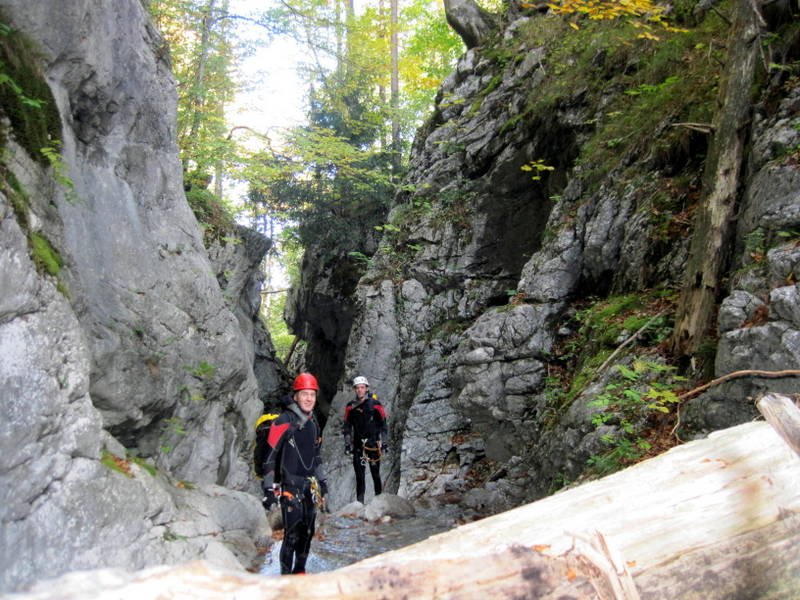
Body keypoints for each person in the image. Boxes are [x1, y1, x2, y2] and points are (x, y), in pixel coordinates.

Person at [260, 373, 327, 575]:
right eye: (304, 394)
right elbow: (269, 457)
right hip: (290, 485)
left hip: (310, 486)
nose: (309, 398)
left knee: (308, 532)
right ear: (296, 396)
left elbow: (316, 456)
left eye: (312, 394)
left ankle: (300, 573)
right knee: (292, 534)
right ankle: (285, 579)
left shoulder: (313, 423)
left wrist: (323, 482)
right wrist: (269, 490)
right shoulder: (284, 420)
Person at [342, 375, 388, 504]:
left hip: (373, 445)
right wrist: (347, 445)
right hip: (358, 447)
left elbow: (383, 424)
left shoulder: (375, 404)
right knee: (360, 477)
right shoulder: (350, 407)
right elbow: (347, 426)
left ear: (366, 388)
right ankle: (359, 504)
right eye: (357, 388)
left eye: (362, 387)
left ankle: (379, 502)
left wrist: (384, 443)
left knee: (375, 474)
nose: (360, 390)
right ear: (354, 389)